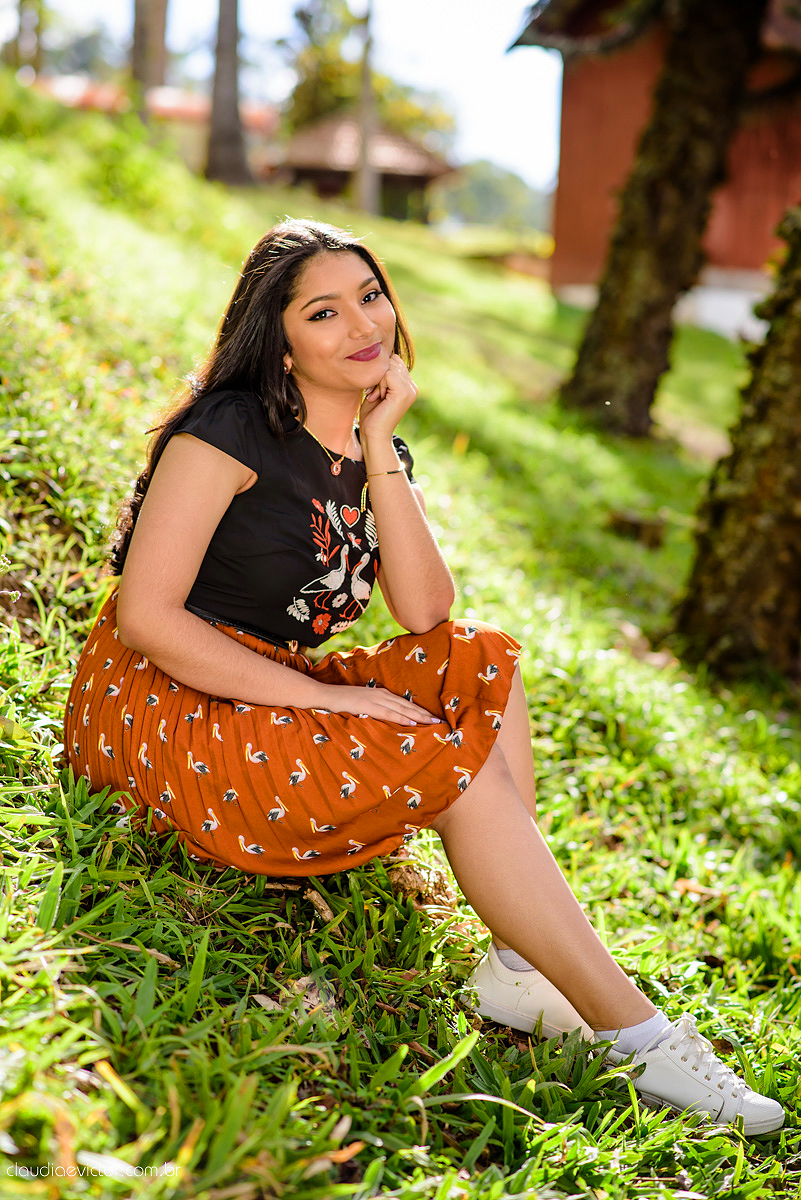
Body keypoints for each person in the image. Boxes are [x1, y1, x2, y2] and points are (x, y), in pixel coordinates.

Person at [62, 219, 783, 1137]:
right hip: (164, 703)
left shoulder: (367, 438)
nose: (363, 323)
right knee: (448, 758)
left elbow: (424, 613)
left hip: (263, 684)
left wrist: (379, 449)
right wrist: (330, 696)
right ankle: (636, 1036)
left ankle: (520, 969)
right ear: (276, 339)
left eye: (370, 295)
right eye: (323, 311)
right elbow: (146, 619)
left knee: (480, 656)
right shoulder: (228, 429)